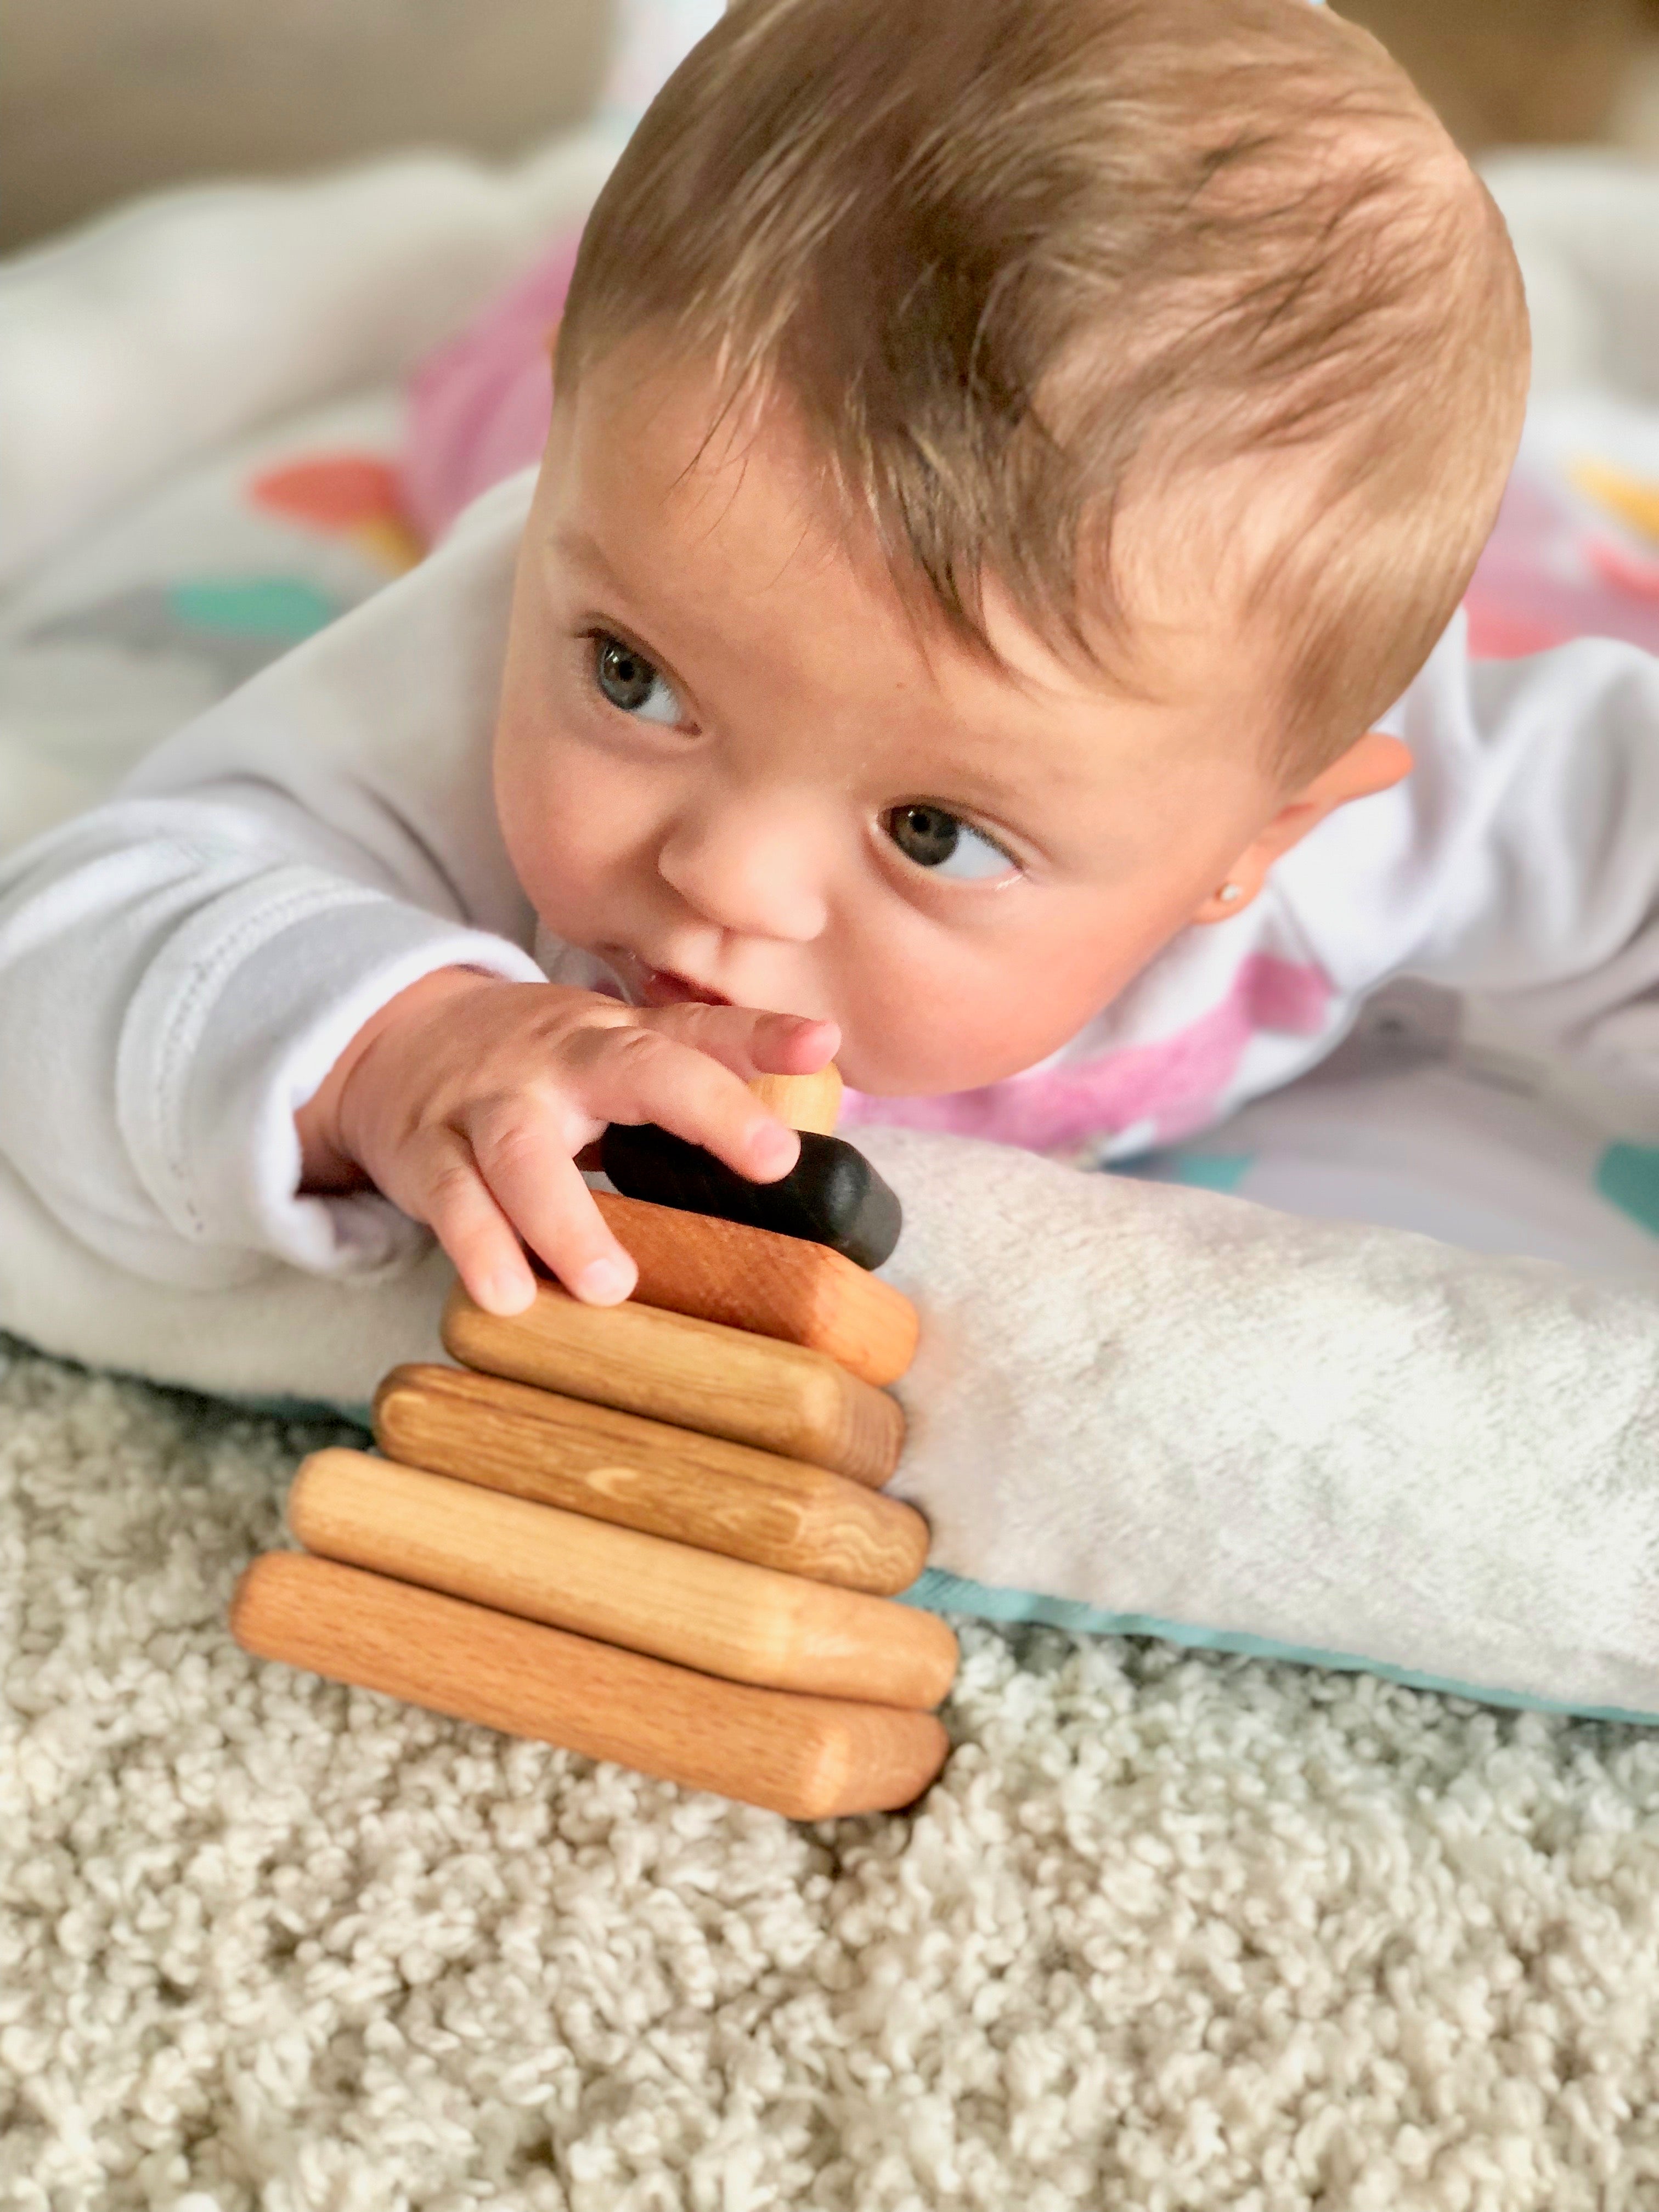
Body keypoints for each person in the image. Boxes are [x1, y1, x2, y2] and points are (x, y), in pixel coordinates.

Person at [12, 0, 1646, 1341]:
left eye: (933, 832)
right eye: (634, 682)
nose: (722, 877)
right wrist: (397, 1045)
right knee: (500, 380)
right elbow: (69, 958)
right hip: (572, 417)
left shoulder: (1362, 793)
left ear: (1257, 841)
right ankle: (567, 258)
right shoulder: (502, 623)